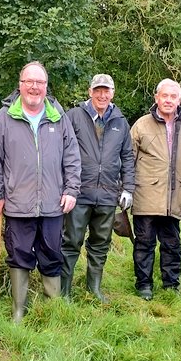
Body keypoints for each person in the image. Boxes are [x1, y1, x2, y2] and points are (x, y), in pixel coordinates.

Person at [0, 61, 81, 322]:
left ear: (46, 86)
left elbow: (72, 156)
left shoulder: (58, 117)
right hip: (17, 203)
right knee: (19, 254)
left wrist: (72, 189)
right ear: (20, 85)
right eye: (29, 82)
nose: (34, 87)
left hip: (53, 203)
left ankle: (53, 308)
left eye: (39, 82)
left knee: (52, 254)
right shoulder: (4, 117)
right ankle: (19, 309)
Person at [60, 73, 135, 303]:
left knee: (101, 243)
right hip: (79, 193)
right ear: (90, 92)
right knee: (71, 242)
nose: (102, 95)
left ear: (113, 93)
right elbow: (62, 152)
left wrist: (128, 188)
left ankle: (94, 288)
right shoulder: (74, 116)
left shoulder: (120, 121)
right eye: (97, 90)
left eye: (106, 90)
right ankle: (64, 291)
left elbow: (128, 157)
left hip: (108, 195)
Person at [129, 78, 181, 300]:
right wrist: (125, 188)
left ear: (179, 100)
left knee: (172, 243)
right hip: (145, 194)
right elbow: (128, 158)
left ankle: (171, 285)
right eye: (165, 96)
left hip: (175, 195)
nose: (168, 100)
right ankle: (144, 285)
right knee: (144, 243)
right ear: (157, 98)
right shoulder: (141, 125)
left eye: (173, 96)